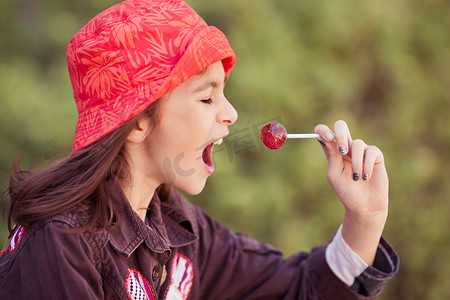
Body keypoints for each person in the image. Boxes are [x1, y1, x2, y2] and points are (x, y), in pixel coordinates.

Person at [0, 0, 398, 299]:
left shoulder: (180, 229)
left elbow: (294, 288)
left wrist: (364, 219)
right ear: (137, 121)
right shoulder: (61, 247)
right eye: (207, 98)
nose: (231, 114)